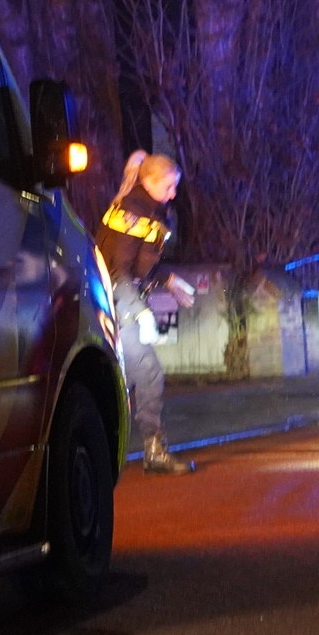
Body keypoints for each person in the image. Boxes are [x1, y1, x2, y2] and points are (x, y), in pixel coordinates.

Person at [95, 151, 196, 474]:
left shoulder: (145, 209)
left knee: (123, 379)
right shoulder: (133, 213)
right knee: (148, 374)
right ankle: (153, 452)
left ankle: (108, 451)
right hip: (119, 302)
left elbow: (142, 261)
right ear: (150, 182)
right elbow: (119, 272)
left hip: (119, 300)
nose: (173, 193)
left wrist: (170, 280)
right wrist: (141, 313)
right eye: (169, 186)